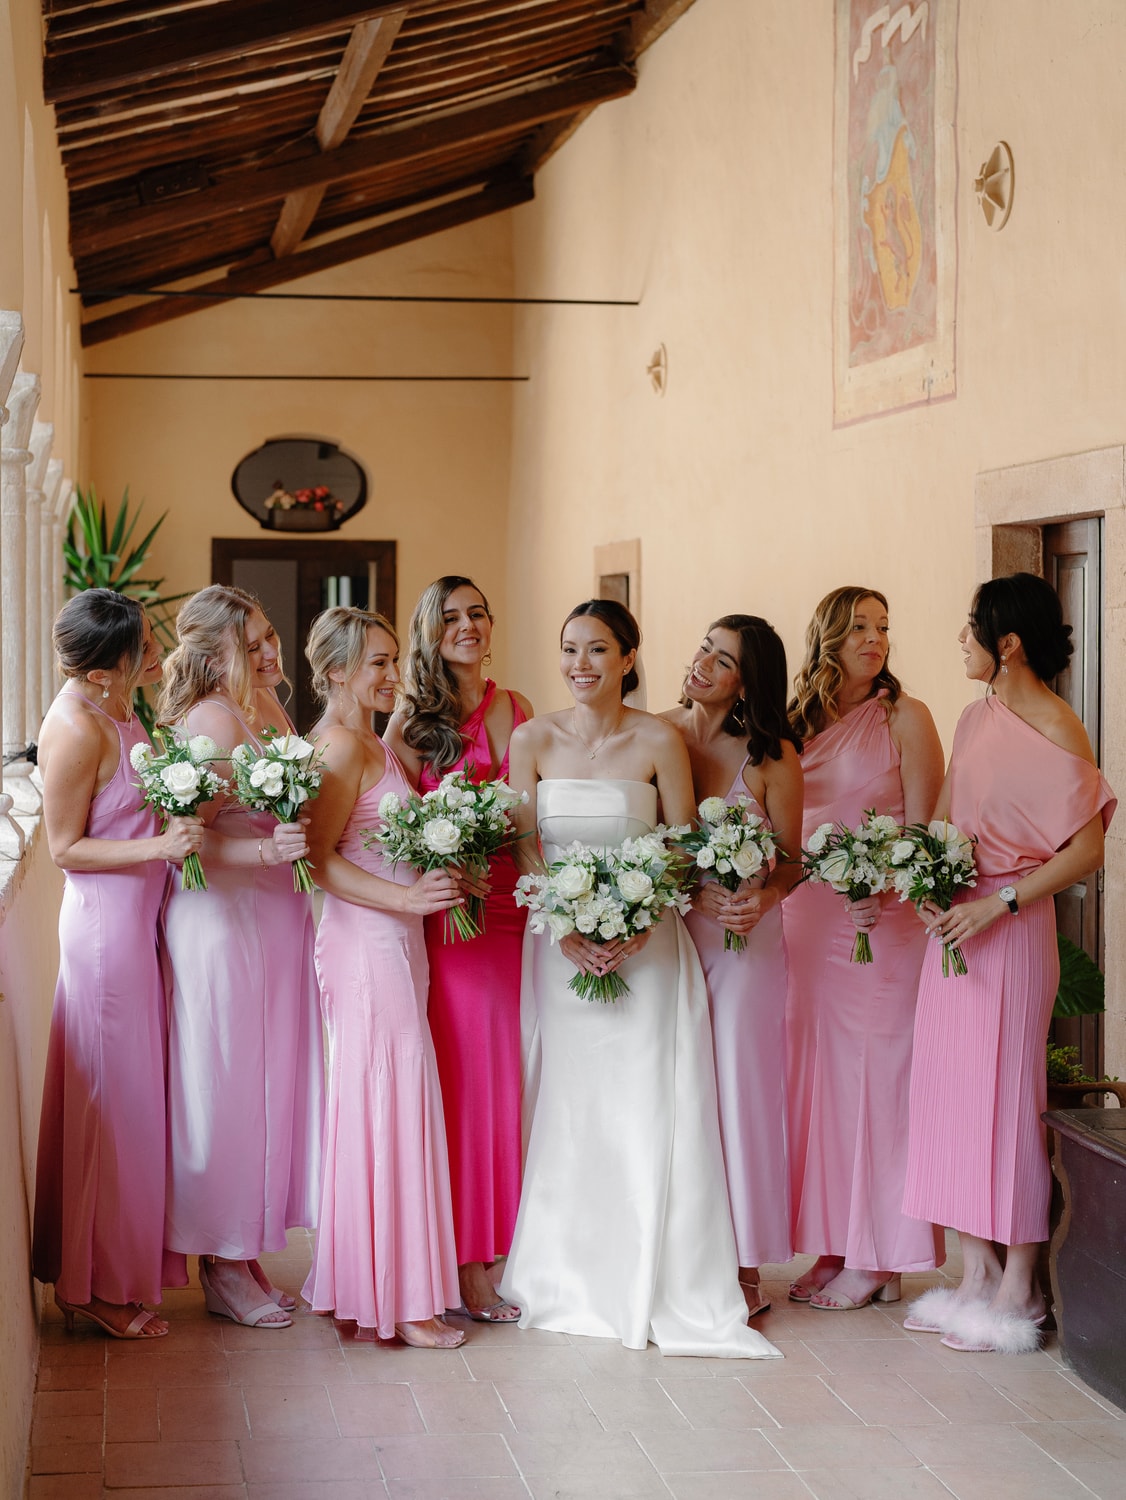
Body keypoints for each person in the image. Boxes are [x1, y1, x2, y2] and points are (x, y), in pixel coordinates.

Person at [498, 599, 779, 1359]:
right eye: (569, 648)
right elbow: (525, 847)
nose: (580, 664)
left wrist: (636, 921)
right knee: (571, 1104)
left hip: (647, 949)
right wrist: (564, 925)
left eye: (597, 649)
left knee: (645, 1105)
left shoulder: (658, 738)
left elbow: (681, 847)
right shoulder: (531, 739)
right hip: (558, 949)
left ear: (628, 658)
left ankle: (657, 1274)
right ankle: (564, 1273)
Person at [902, 574, 1115, 1352]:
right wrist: (926, 885)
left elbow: (1087, 850)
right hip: (953, 927)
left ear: (1009, 643)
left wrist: (1002, 903)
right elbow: (941, 821)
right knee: (950, 1098)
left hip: (1012, 929)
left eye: (972, 628)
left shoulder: (1060, 727)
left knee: (1008, 1102)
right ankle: (975, 1273)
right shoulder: (972, 716)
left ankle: (1021, 1283)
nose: (961, 639)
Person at [32, 590, 202, 1339]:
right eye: (142, 648)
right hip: (104, 937)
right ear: (101, 670)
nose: (155, 653)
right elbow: (63, 848)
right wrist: (162, 846)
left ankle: (113, 1267)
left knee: (132, 1109)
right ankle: (90, 1285)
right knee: (108, 1108)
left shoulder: (122, 708)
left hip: (138, 928)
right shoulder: (75, 726)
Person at [300, 607, 467, 1348]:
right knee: (386, 1101)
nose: (394, 674)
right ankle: (400, 1301)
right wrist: (405, 899)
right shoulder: (340, 746)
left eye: (394, 659)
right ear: (337, 671)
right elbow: (319, 860)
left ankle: (374, 1283)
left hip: (397, 939)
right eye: (379, 662)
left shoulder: (372, 739)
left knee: (387, 1100)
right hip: (368, 942)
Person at [158, 584, 323, 1329]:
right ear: (215, 651)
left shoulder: (266, 707)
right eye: (250, 643)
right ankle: (221, 1264)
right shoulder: (211, 721)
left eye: (267, 637)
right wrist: (265, 852)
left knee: (264, 1086)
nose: (267, 652)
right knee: (226, 1085)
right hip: (222, 922)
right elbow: (183, 844)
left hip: (275, 919)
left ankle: (245, 1247)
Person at [784, 586, 945, 1310]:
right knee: (823, 1085)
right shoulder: (797, 722)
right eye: (858, 628)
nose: (874, 639)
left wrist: (879, 880)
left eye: (882, 627)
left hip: (883, 922)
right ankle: (836, 1242)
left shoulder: (906, 717)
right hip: (809, 921)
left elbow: (927, 829)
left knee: (879, 1078)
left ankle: (882, 1253)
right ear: (829, 637)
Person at [384, 576, 532, 1321]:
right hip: (455, 924)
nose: (467, 626)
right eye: (450, 618)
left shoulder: (519, 707)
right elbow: (387, 827)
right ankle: (470, 1260)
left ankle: (511, 1246)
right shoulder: (410, 723)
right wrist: (440, 864)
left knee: (513, 1081)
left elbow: (532, 819)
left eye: (477, 613)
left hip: (516, 913)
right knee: (472, 1084)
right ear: (429, 633)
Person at [661, 615, 803, 1317]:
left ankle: (744, 1263)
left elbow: (794, 860)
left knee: (740, 1097)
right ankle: (677, 1253)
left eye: (723, 660)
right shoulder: (656, 734)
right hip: (669, 935)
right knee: (675, 1090)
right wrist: (687, 890)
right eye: (703, 648)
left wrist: (763, 898)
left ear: (748, 682)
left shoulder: (772, 758)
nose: (702, 664)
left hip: (745, 946)